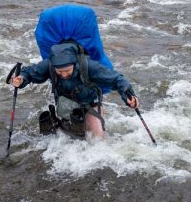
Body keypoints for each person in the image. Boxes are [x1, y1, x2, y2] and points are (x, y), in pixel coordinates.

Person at [10, 41, 139, 138]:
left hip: (89, 107)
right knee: (58, 136)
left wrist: (129, 96)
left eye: (67, 71)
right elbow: (30, 72)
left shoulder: (89, 66)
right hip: (65, 107)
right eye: (59, 72)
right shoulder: (49, 64)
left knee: (98, 139)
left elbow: (117, 79)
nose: (64, 74)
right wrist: (21, 79)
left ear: (75, 64)